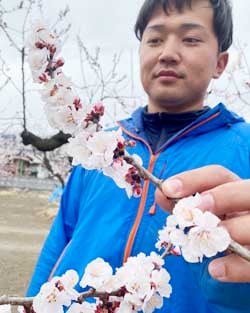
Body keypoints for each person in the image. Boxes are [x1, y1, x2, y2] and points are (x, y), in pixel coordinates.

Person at [26, 0, 250, 312]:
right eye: (155, 39)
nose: (168, 53)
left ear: (220, 63)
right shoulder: (98, 147)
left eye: (191, 39)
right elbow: (57, 247)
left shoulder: (245, 148)